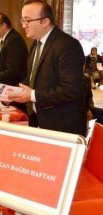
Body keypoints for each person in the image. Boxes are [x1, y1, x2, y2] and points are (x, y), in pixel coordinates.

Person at [8, 0, 87, 136]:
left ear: (45, 22)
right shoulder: (36, 44)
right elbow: (34, 78)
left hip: (62, 126)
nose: (23, 25)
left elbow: (72, 89)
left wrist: (33, 95)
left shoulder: (67, 45)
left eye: (27, 20)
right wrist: (15, 91)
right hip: (40, 119)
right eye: (22, 20)